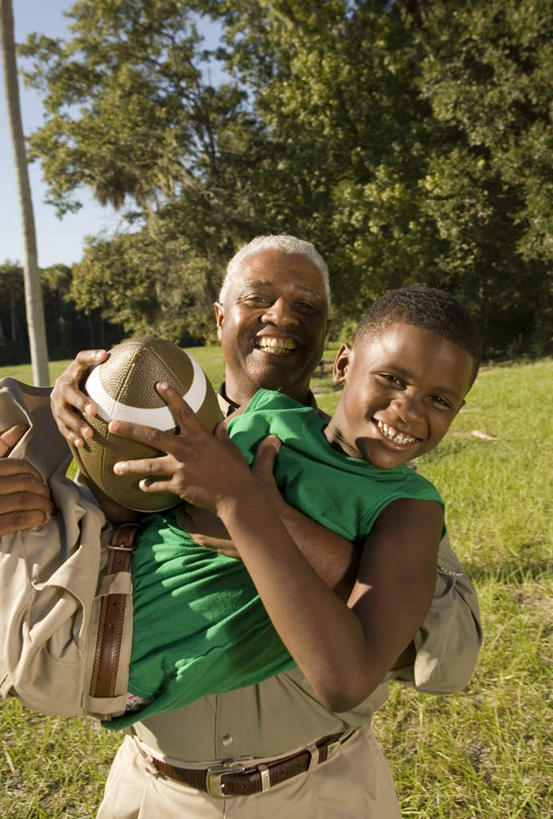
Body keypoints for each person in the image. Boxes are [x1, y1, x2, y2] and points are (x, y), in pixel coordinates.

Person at [0, 236, 481, 817]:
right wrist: (69, 425)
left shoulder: (383, 485)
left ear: (330, 337)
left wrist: (261, 520)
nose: (281, 315)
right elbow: (96, 534)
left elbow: (446, 650)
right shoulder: (150, 423)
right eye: (259, 297)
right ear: (220, 316)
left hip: (325, 785)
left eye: (306, 306)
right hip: (156, 789)